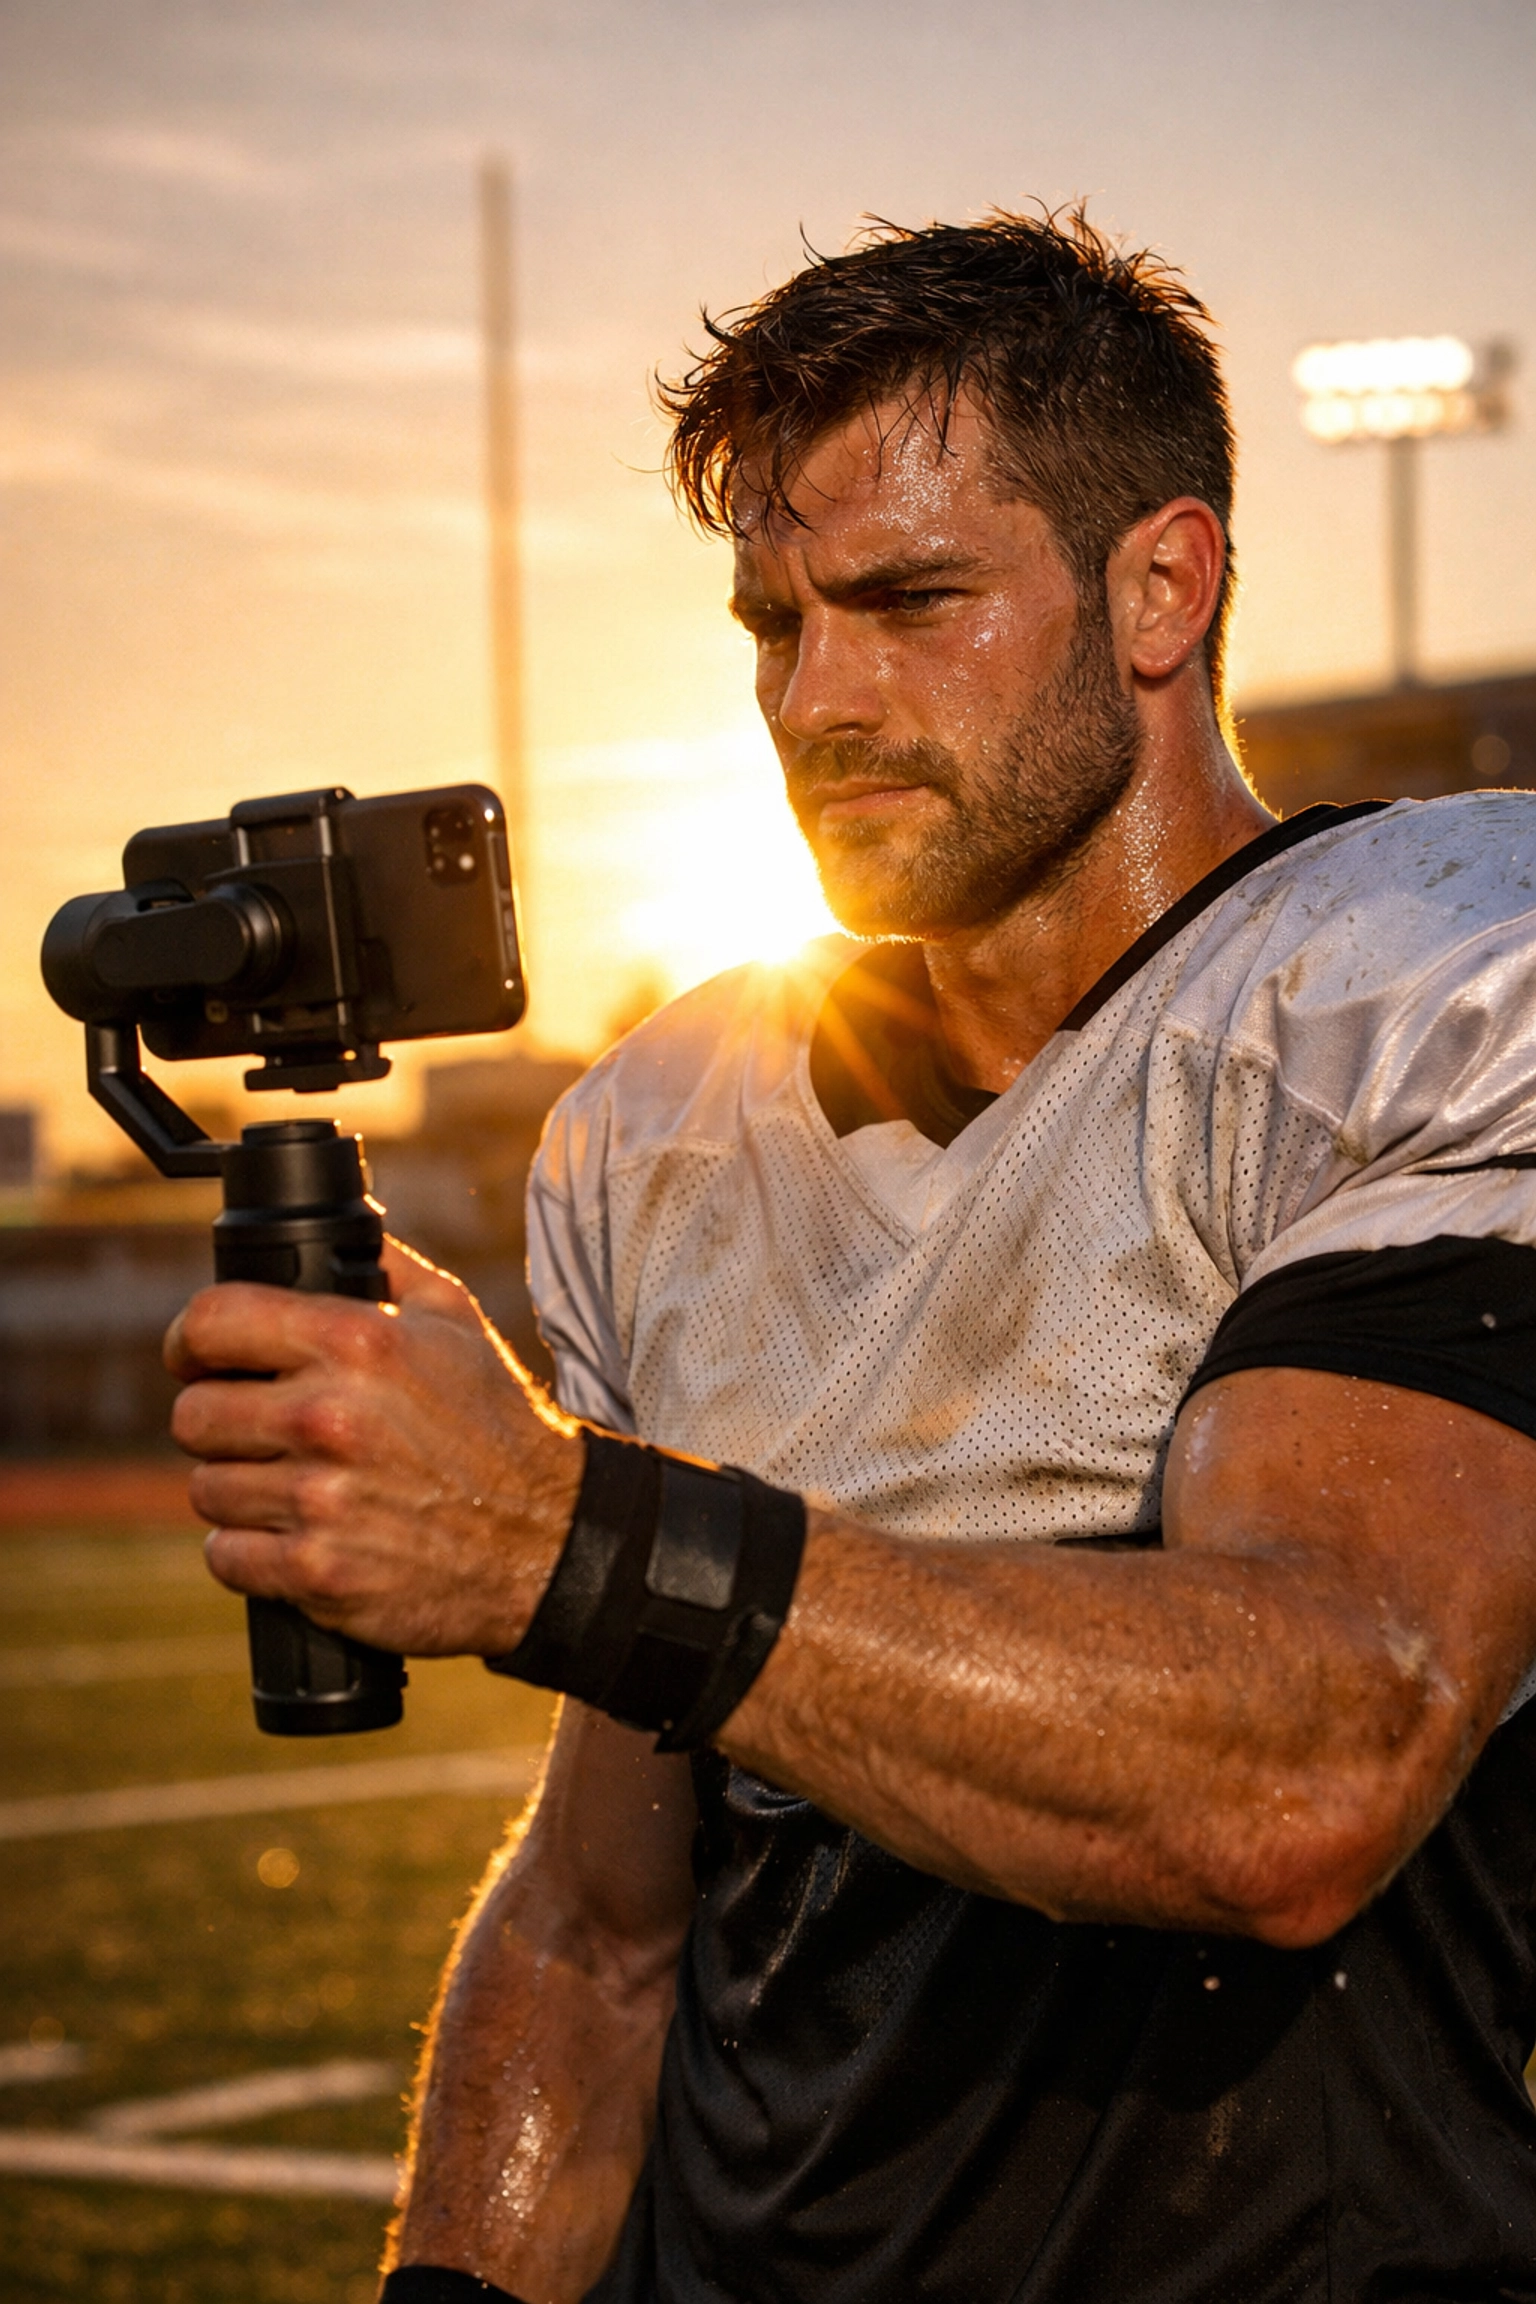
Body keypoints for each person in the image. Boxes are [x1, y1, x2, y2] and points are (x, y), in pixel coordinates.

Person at [166, 211, 1536, 2304]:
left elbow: (1318, 1751)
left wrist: (556, 1530)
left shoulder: (1426, 981)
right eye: (775, 624)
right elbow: (600, 1929)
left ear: (1161, 589)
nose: (818, 698)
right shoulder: (665, 1126)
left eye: (911, 601)